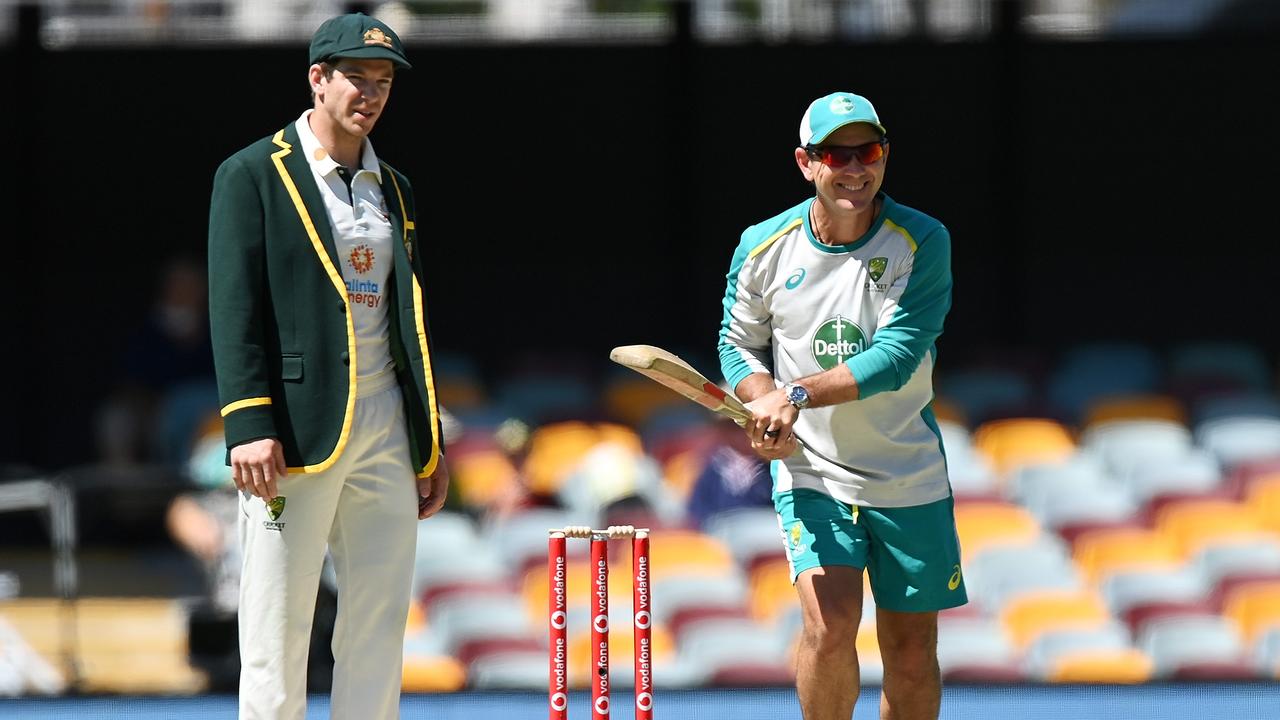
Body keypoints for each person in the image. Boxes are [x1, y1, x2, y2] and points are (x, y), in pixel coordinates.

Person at [206, 12, 450, 719]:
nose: (369, 95)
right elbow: (233, 307)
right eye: (355, 79)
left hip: (385, 427)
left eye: (381, 83)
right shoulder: (251, 173)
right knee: (275, 621)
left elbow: (409, 325)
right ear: (318, 79)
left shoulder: (395, 187)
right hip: (292, 432)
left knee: (377, 624)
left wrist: (425, 435)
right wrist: (248, 422)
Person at [717, 92, 967, 720]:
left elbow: (897, 356)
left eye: (870, 151)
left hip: (907, 470)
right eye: (837, 153)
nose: (855, 168)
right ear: (807, 163)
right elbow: (737, 343)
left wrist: (792, 394)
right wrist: (760, 402)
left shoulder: (922, 239)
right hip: (812, 469)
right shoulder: (762, 246)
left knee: (911, 652)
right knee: (829, 631)